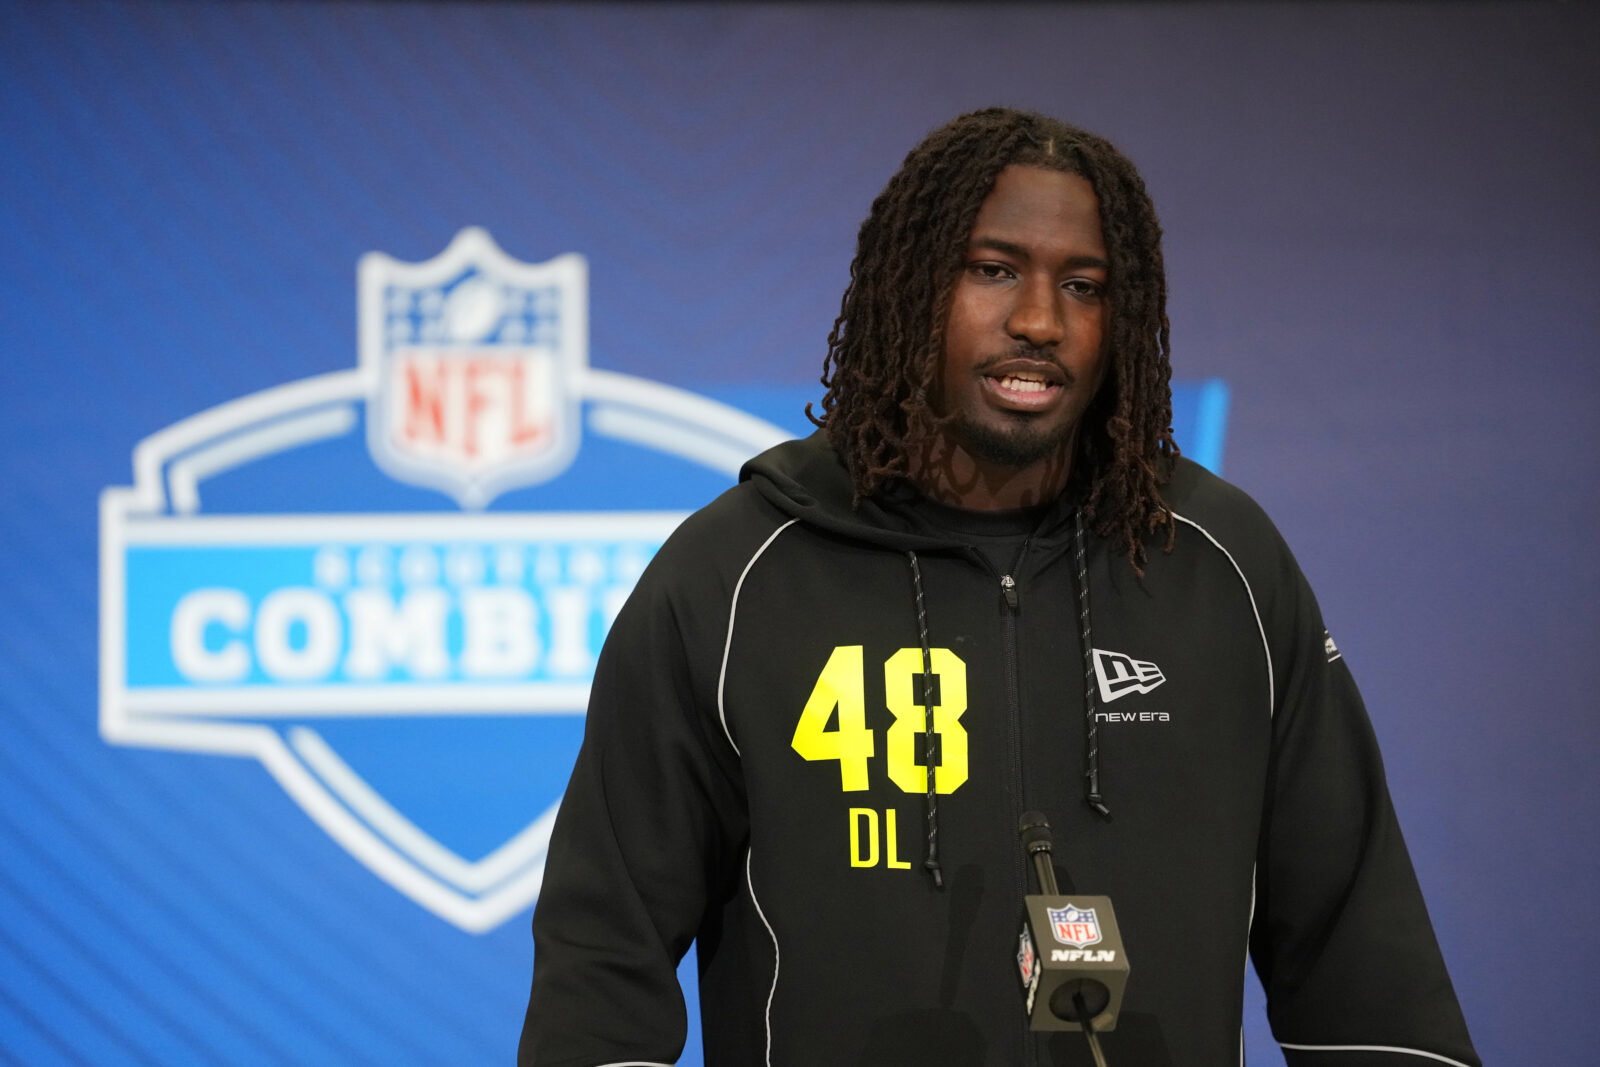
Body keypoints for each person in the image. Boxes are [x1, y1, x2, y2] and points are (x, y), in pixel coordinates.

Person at [518, 108, 1478, 1067]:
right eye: (993, 269)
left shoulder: (1220, 565)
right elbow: (603, 964)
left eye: (1084, 285)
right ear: (908, 287)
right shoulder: (735, 575)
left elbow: (1366, 973)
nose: (1039, 320)